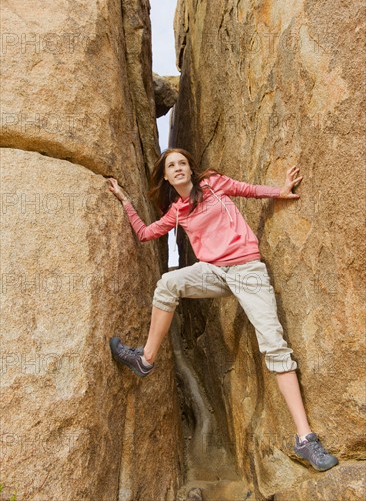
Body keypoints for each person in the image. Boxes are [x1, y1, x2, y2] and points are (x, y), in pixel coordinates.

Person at [107, 148, 338, 472]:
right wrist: (125, 200)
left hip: (248, 271)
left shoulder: (214, 184)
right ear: (166, 177)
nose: (178, 168)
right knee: (168, 283)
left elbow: (248, 189)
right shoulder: (177, 211)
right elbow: (146, 234)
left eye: (182, 163)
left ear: (190, 169)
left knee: (274, 345)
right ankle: (145, 360)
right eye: (171, 166)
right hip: (213, 273)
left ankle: (305, 439)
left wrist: (280, 191)